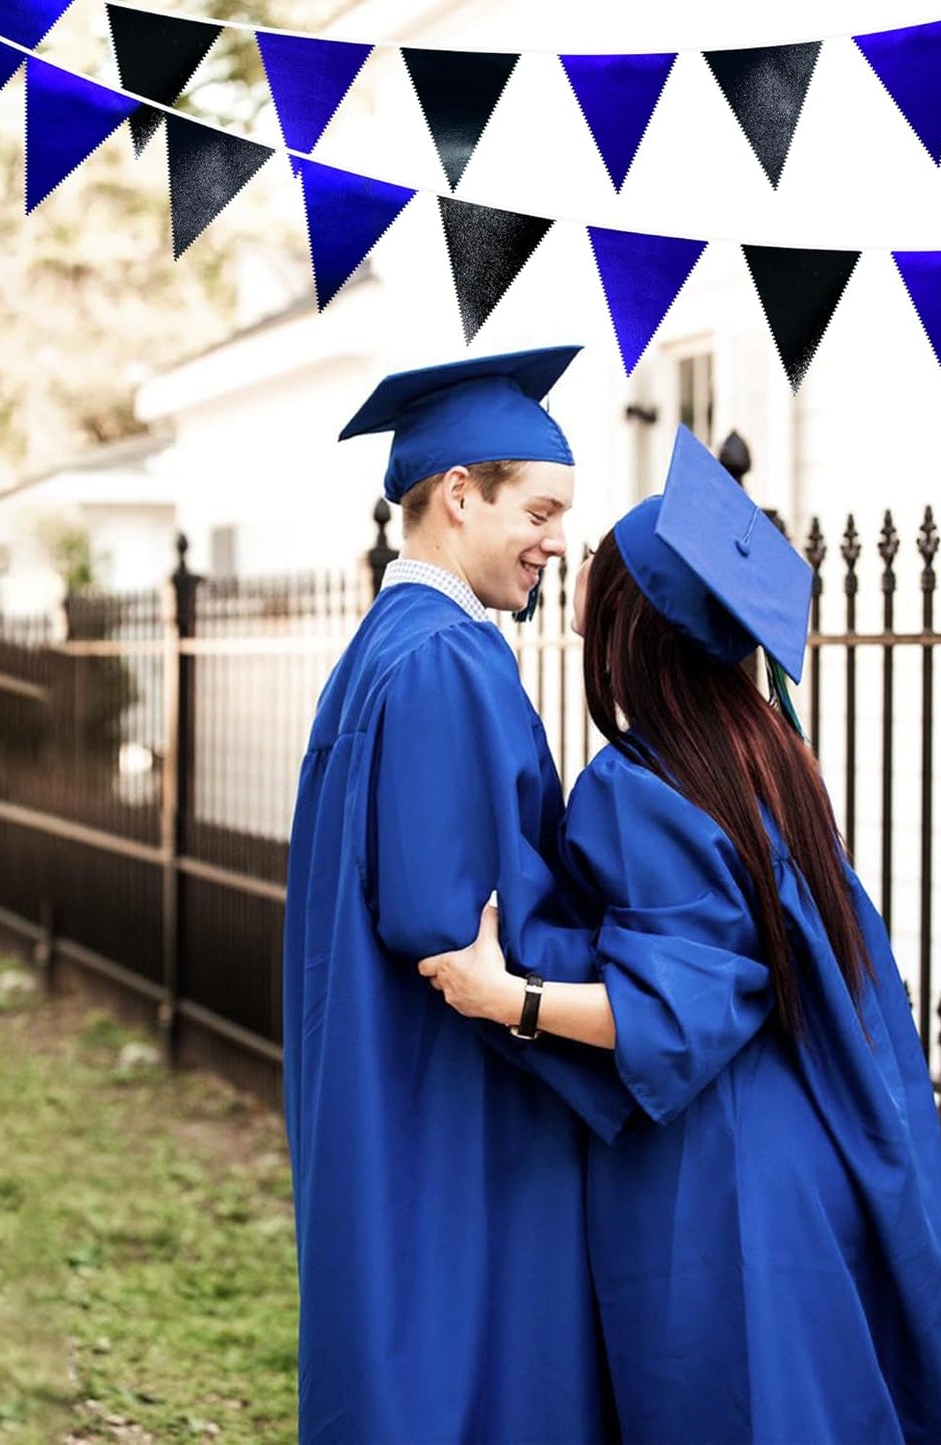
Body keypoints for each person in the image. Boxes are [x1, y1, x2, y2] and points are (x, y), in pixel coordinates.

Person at [421, 426, 941, 1443]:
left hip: (717, 1192)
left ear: (631, 621)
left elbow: (673, 1010)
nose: (569, 576)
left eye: (596, 572)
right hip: (805, 1162)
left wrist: (504, 996)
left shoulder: (641, 782)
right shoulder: (766, 754)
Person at [281, 345, 632, 1445]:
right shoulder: (438, 660)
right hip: (447, 1094)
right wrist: (654, 966)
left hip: (396, 1074)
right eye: (539, 506)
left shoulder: (393, 648)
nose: (557, 539)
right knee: (456, 1372)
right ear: (457, 494)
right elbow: (449, 922)